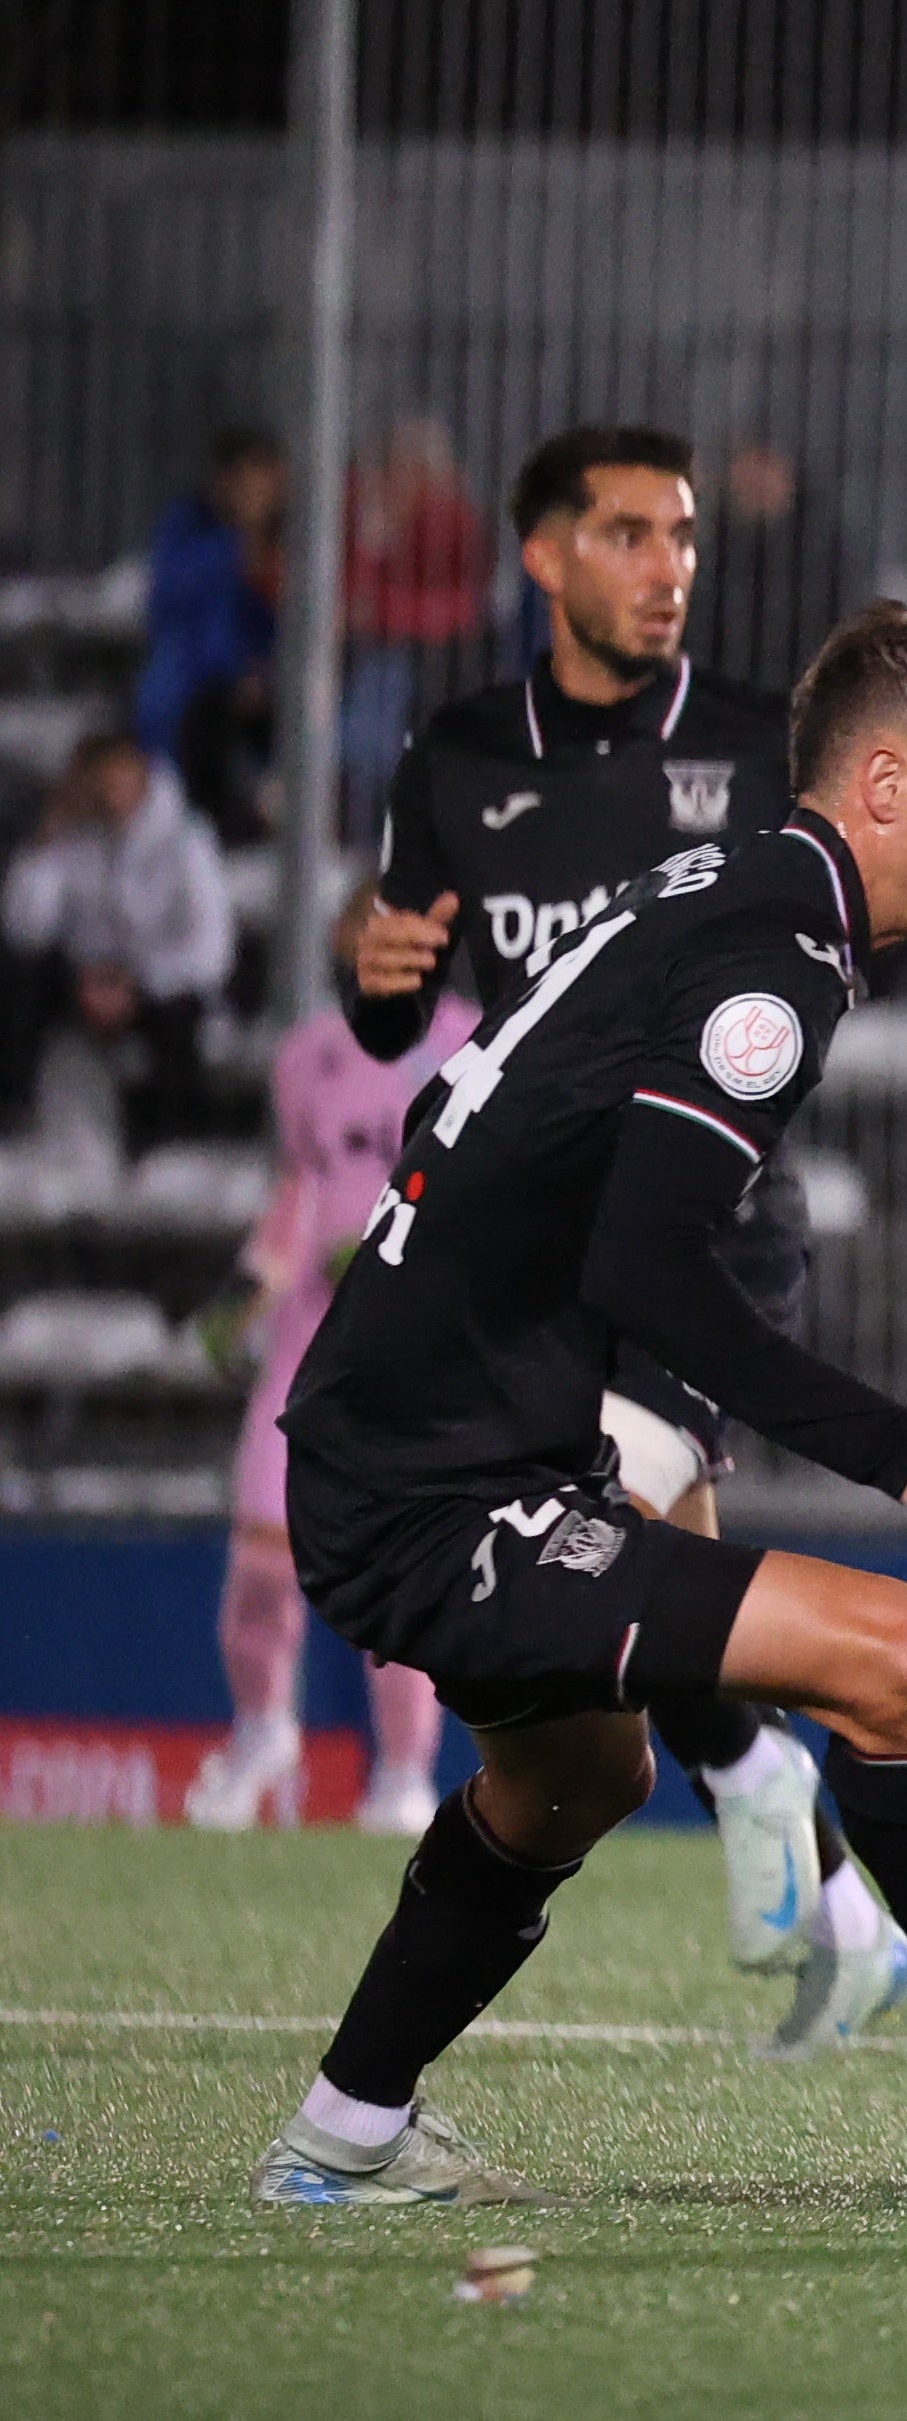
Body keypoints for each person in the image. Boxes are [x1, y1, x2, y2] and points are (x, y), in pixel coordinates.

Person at [252, 603, 907, 2207]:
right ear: (890, 784)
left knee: (581, 1779)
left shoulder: (736, 890)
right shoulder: (776, 950)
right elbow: (652, 1262)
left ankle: (344, 2137)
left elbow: (532, 1159)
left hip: (428, 1444)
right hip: (431, 1485)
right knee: (899, 1656)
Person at [344, 425, 891, 2047]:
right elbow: (397, 1004)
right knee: (647, 1566)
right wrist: (368, 980)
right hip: (528, 1246)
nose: (670, 569)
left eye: (685, 538)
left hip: (700, 1219)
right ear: (545, 556)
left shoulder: (752, 741)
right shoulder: (451, 757)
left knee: (591, 1529)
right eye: (634, 535)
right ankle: (826, 1874)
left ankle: (759, 1784)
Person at [184, 883, 475, 1837]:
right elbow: (301, 1188)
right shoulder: (308, 1053)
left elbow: (491, 1189)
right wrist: (247, 1288)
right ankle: (263, 1727)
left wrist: (406, 1242)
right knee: (261, 1555)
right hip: (311, 1338)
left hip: (414, 1347)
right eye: (365, 935)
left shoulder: (476, 1043)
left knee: (395, 1567)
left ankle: (403, 1776)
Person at [0, 733, 233, 1154]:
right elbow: (24, 926)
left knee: (179, 1019)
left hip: (159, 986)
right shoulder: (73, 838)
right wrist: (43, 842)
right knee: (20, 984)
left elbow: (210, 950)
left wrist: (136, 983)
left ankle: (169, 1147)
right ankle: (15, 1123)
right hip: (85, 983)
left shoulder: (186, 839)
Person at [135, 428, 290, 847]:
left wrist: (267, 672)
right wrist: (236, 544)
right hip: (199, 684)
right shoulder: (189, 526)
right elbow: (172, 601)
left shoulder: (295, 537)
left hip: (274, 680)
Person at [340, 415, 493, 829]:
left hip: (432, 654)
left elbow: (462, 603)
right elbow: (349, 595)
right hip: (371, 649)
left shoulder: (450, 522)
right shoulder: (368, 513)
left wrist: (385, 613)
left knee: (372, 724)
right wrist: (374, 539)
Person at [695, 438, 865, 698]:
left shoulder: (822, 555)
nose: (755, 480)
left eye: (767, 467)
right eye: (746, 467)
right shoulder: (711, 551)